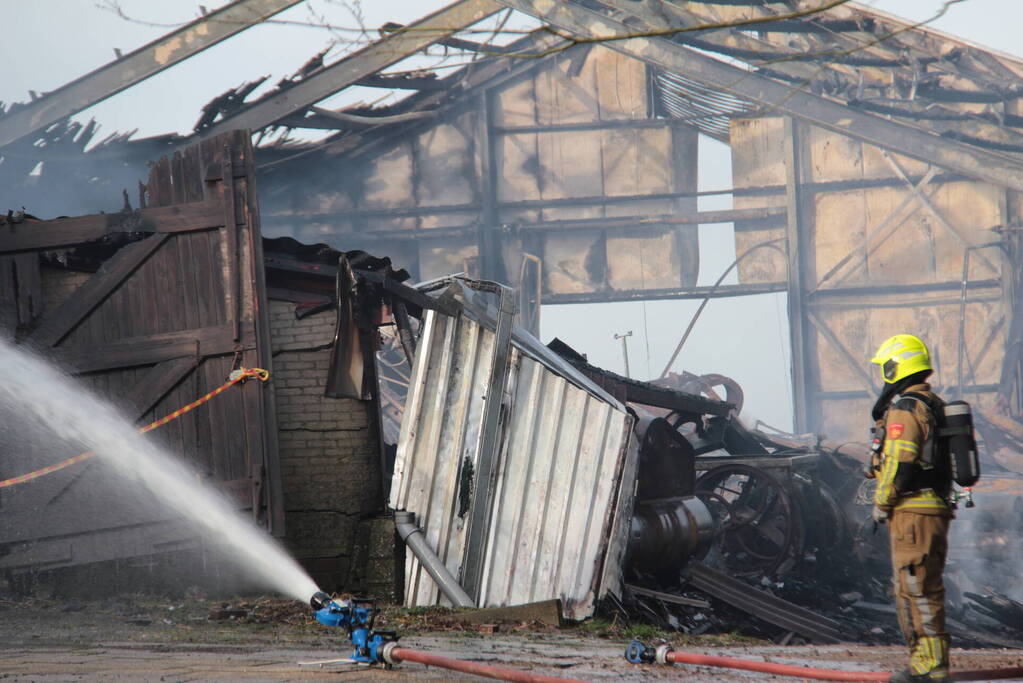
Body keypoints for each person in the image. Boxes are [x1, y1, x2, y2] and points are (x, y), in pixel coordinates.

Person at [868, 334, 953, 683]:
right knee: (920, 586)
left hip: (913, 511)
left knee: (916, 589)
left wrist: (881, 502)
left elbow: (899, 462)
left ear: (896, 367)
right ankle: (927, 663)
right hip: (930, 508)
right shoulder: (932, 403)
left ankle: (929, 666)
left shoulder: (906, 407)